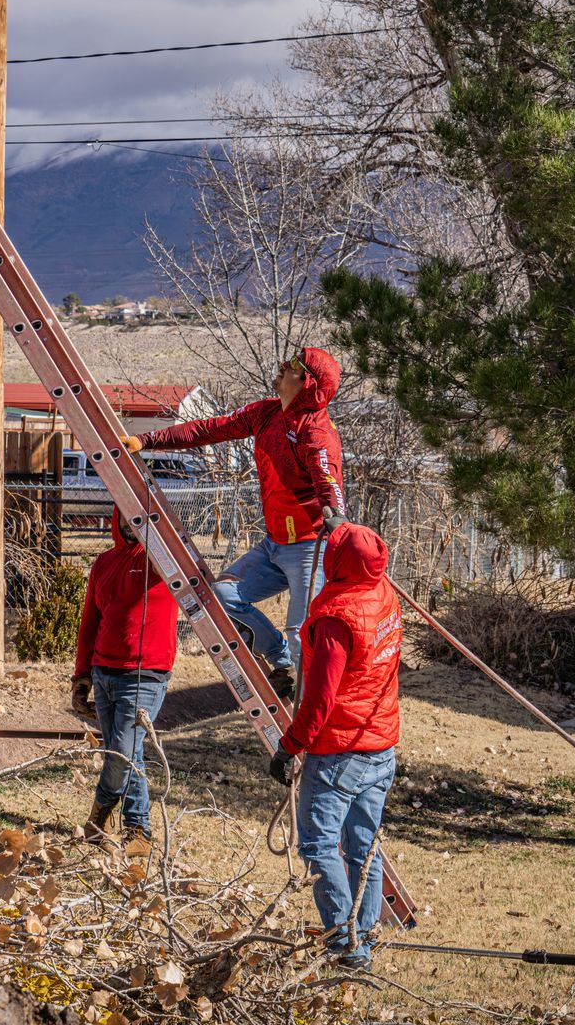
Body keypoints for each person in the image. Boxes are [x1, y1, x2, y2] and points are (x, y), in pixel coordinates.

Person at [126, 347, 346, 697]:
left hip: (309, 547)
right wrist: (148, 440)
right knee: (222, 595)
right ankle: (282, 661)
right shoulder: (266, 413)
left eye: (291, 365)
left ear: (307, 383)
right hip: (275, 544)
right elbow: (209, 429)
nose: (281, 366)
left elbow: (327, 479)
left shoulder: (316, 433)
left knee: (302, 630)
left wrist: (337, 518)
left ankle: (308, 717)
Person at [266, 521, 402, 970]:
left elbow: (319, 698)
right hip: (380, 746)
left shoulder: (335, 618)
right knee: (364, 846)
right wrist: (334, 525)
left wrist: (290, 747)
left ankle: (345, 943)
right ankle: (362, 935)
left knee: (319, 845)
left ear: (337, 561)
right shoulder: (383, 592)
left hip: (340, 751)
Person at [71, 508, 181, 845]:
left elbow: (183, 557)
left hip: (144, 676)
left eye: (138, 517)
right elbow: (90, 621)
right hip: (104, 672)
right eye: (125, 517)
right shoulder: (104, 562)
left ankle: (97, 819)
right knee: (127, 753)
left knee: (120, 752)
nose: (130, 524)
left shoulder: (163, 561)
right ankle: (138, 831)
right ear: (116, 518)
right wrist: (81, 678)